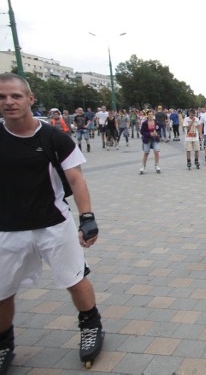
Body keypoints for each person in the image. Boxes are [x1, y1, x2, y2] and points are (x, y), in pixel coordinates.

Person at [0, 73, 104, 371]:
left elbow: (76, 178)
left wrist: (87, 218)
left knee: (74, 279)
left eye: (16, 96)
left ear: (30, 99)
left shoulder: (53, 137)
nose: (9, 102)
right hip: (6, 228)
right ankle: (4, 344)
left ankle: (91, 327)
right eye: (2, 97)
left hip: (53, 224)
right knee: (2, 291)